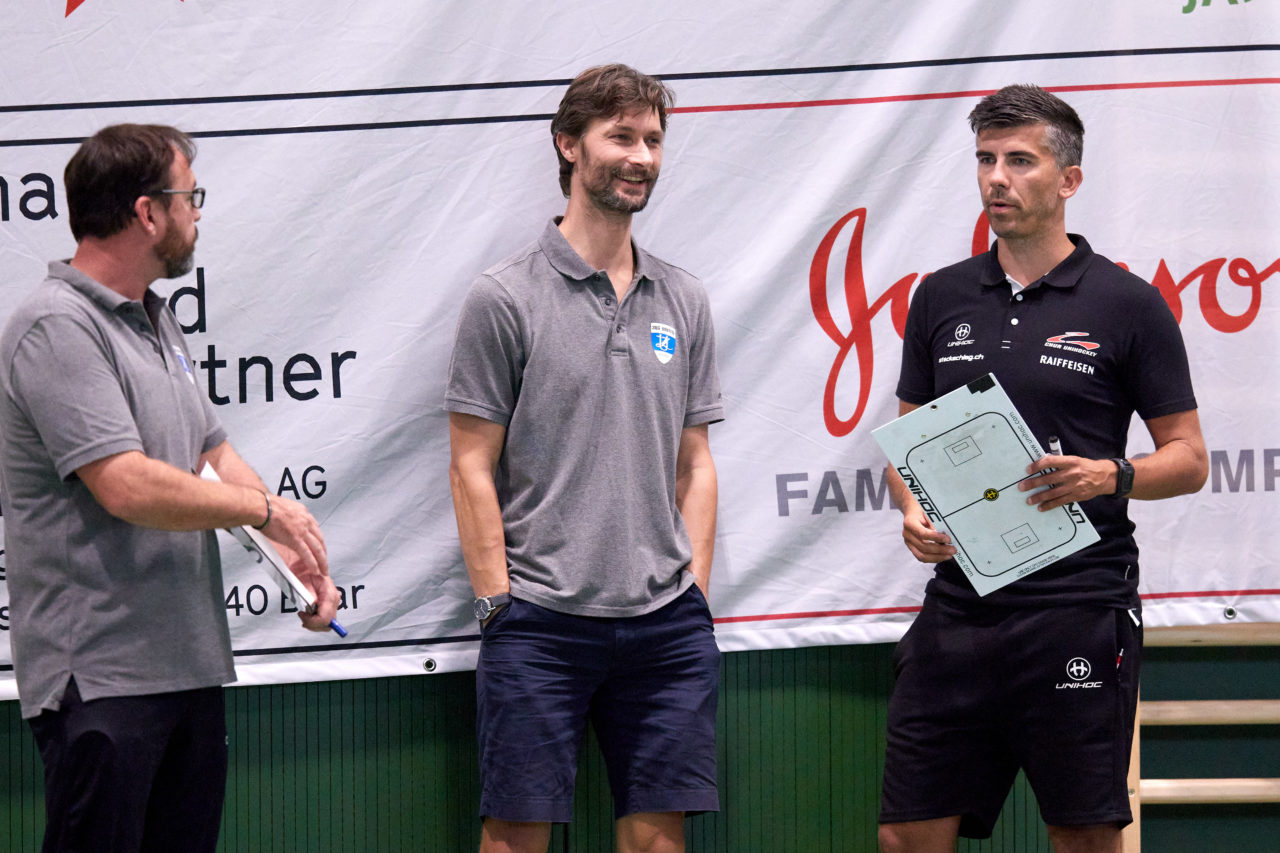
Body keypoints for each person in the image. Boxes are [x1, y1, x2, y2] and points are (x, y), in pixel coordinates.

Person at [878, 86, 1208, 853]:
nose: (997, 177)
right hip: (957, 609)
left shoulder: (1129, 304)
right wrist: (911, 511)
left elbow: (1189, 459)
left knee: (1085, 836)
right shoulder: (941, 296)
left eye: (1019, 160)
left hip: (1077, 606)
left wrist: (1108, 476)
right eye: (986, 160)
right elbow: (907, 443)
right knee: (904, 835)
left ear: (1068, 180)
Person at [0, 123, 340, 853]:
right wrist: (264, 506)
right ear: (147, 212)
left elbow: (211, 454)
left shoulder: (158, 321)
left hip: (186, 666)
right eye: (191, 197)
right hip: (101, 681)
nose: (197, 215)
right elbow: (123, 483)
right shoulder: (53, 327)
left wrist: (290, 552)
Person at [445, 64, 723, 853]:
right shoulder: (504, 297)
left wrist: (694, 594)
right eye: (621, 136)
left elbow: (695, 463)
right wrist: (500, 604)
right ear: (570, 145)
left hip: (667, 626)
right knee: (514, 838)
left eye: (654, 140)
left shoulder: (684, 298)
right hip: (539, 624)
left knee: (659, 841)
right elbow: (470, 465)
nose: (641, 156)